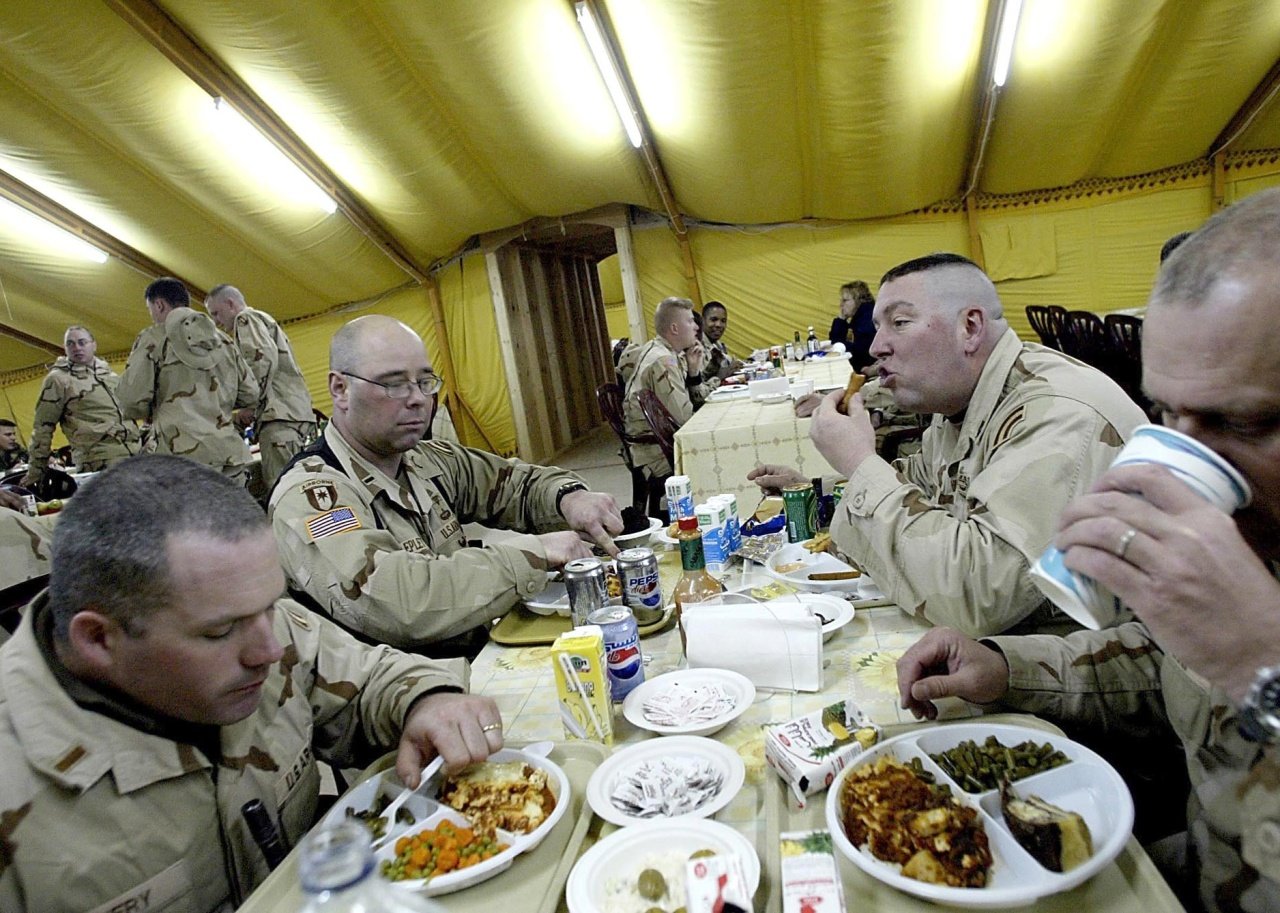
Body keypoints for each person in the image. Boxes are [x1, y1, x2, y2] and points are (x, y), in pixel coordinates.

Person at [896, 190, 1280, 913]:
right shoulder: (1254, 531)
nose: (1182, 459)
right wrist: (1006, 667)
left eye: (1245, 419)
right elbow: (1167, 664)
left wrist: (1267, 662)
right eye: (1164, 411)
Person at [0, 455, 498, 913]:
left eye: (270, 606)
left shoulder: (255, 625)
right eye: (219, 632)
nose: (268, 650)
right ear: (97, 639)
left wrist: (427, 700)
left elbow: (371, 678)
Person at [750, 253, 1145, 637]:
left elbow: (978, 598)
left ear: (970, 327)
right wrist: (812, 492)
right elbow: (914, 490)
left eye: (899, 322)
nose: (876, 347)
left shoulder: (1056, 413)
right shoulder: (958, 402)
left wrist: (858, 463)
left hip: (1102, 670)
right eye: (878, 326)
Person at [269, 315, 621, 653]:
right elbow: (397, 602)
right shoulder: (312, 496)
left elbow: (516, 484)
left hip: (477, 655)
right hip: (407, 698)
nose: (418, 398)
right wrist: (532, 554)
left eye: (425, 382)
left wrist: (569, 498)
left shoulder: (424, 459)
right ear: (340, 389)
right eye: (393, 384)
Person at [118, 277, 260, 486]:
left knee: (188, 519)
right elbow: (251, 393)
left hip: (180, 459)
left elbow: (130, 400)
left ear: (159, 305)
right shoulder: (223, 340)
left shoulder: (153, 339)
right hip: (229, 454)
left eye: (151, 310)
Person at [204, 284, 316, 489]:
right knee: (303, 485)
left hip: (279, 418)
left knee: (285, 490)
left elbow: (260, 361)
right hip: (291, 413)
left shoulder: (245, 319)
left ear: (230, 304)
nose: (216, 322)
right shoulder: (263, 320)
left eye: (216, 313)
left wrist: (249, 406)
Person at [21, 325, 140, 489]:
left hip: (134, 455)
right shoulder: (59, 380)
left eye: (82, 342)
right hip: (98, 460)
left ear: (94, 345)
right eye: (70, 344)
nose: (77, 347)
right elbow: (43, 427)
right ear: (65, 348)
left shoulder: (108, 374)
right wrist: (36, 471)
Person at [617, 296, 715, 479]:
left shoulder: (665, 352)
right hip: (655, 452)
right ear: (675, 328)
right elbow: (685, 420)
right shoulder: (663, 360)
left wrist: (693, 373)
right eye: (690, 321)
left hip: (659, 442)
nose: (696, 327)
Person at [829, 280, 877, 371]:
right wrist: (841, 320)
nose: (841, 305)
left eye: (845, 301)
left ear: (859, 300)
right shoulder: (860, 317)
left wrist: (840, 320)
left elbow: (859, 353)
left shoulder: (867, 320)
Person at [701, 301, 741, 382]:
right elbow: (699, 383)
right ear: (702, 320)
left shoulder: (717, 345)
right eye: (713, 320)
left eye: (723, 321)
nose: (719, 325)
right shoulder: (696, 346)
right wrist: (720, 376)